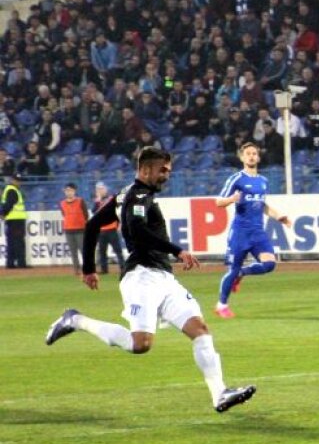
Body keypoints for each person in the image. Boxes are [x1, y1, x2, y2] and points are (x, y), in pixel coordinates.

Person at [44, 147, 256, 414]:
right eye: (163, 170)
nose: (167, 175)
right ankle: (75, 320)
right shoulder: (138, 196)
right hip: (141, 276)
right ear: (145, 170)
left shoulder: (126, 195)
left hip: (164, 277)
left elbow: (93, 224)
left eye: (168, 170)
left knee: (199, 329)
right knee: (140, 344)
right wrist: (177, 250)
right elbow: (137, 231)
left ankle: (219, 394)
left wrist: (88, 268)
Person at [214, 142, 291, 319]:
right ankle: (221, 305)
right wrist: (232, 199)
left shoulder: (263, 181)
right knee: (232, 270)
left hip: (258, 233)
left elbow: (262, 205)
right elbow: (218, 202)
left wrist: (279, 216)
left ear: (258, 157)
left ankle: (243, 272)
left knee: (270, 264)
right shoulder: (236, 179)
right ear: (242, 157)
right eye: (248, 153)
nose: (251, 156)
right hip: (240, 232)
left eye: (254, 153)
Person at [93, 181, 125, 274]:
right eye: (98, 189)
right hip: (102, 230)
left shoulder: (111, 198)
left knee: (118, 250)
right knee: (103, 251)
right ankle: (104, 269)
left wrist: (120, 223)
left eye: (101, 189)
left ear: (105, 189)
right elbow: (94, 211)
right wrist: (98, 201)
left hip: (112, 229)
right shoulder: (97, 201)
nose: (100, 191)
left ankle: (123, 268)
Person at [60, 182, 89, 275]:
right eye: (67, 190)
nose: (68, 192)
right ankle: (76, 269)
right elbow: (64, 214)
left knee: (82, 250)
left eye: (70, 190)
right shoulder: (62, 203)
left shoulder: (80, 201)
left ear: (74, 191)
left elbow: (86, 215)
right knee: (73, 252)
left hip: (80, 229)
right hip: (68, 230)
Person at [2, 173, 27, 269]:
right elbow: (9, 204)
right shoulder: (12, 191)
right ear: (12, 180)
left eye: (19, 180)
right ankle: (21, 263)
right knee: (18, 242)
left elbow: (6, 205)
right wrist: (3, 213)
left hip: (12, 220)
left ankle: (10, 263)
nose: (19, 182)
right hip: (16, 220)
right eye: (17, 180)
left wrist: (3, 214)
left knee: (11, 242)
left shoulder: (10, 190)